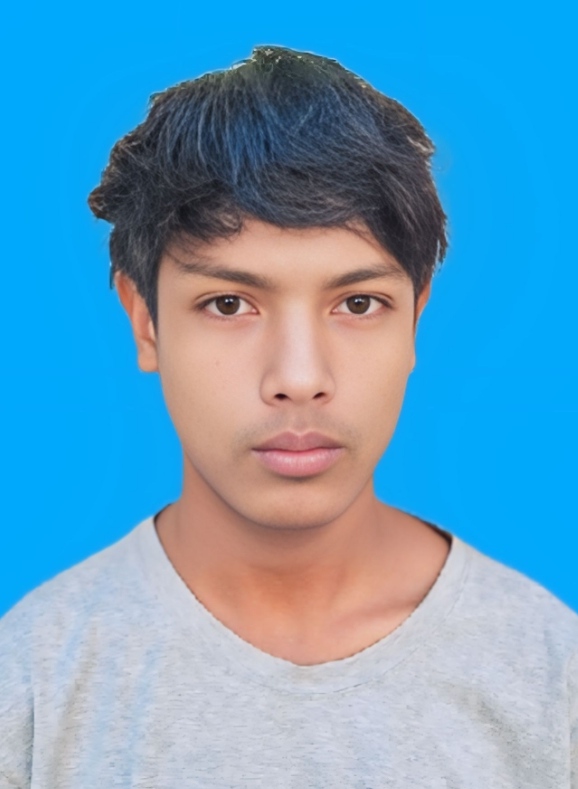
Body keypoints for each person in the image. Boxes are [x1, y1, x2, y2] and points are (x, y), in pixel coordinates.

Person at [0, 44, 576, 788]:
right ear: (144, 322)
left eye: (358, 303)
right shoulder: (32, 685)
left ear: (415, 321)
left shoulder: (550, 675)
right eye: (228, 304)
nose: (299, 379)